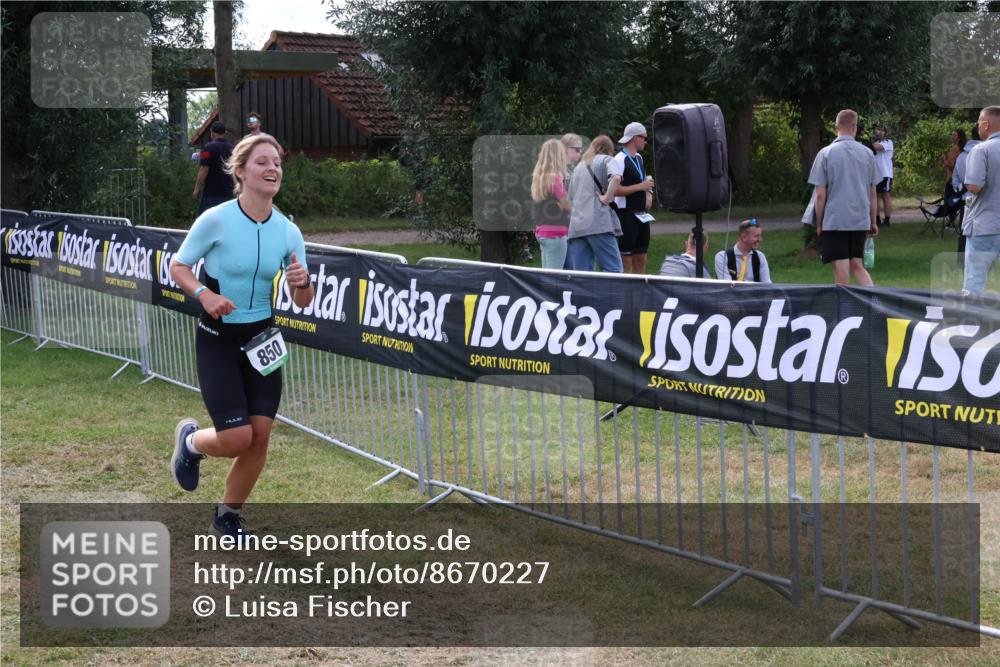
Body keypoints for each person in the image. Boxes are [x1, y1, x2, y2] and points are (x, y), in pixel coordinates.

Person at [169, 134, 315, 537]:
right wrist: (205, 294)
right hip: (218, 337)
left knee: (260, 436)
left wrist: (302, 283)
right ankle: (191, 442)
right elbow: (178, 266)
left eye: (278, 163)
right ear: (240, 171)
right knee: (236, 437)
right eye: (262, 162)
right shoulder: (216, 219)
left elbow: (302, 300)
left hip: (263, 339)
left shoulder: (288, 231)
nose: (273, 169)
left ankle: (227, 515)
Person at [808, 109, 879, 286]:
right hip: (860, 219)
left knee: (841, 267)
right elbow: (873, 192)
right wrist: (873, 221)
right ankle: (875, 303)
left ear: (836, 127)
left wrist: (819, 223)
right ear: (854, 127)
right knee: (858, 266)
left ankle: (845, 310)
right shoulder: (868, 154)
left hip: (835, 220)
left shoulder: (826, 153)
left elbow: (820, 194)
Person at [565, 135, 623, 272]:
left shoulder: (578, 167)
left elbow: (569, 199)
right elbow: (616, 178)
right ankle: (610, 294)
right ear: (609, 149)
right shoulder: (607, 159)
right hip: (598, 223)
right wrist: (607, 198)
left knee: (582, 276)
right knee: (613, 269)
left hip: (576, 227)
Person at [962, 106, 1000, 295]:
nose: (977, 126)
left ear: (986, 124)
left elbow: (974, 186)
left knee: (974, 282)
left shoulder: (981, 149)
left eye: (978, 122)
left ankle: (972, 322)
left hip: (985, 224)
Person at [610, 121, 655, 274]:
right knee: (626, 258)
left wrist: (649, 193)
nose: (645, 141)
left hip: (642, 214)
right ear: (635, 138)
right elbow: (614, 190)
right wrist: (640, 187)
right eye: (644, 138)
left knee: (641, 256)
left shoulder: (639, 158)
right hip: (626, 214)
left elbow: (645, 180)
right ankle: (625, 292)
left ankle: (638, 291)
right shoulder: (619, 159)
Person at [530, 139, 572, 269]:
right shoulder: (556, 177)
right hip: (556, 233)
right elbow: (566, 203)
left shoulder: (540, 176)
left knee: (547, 276)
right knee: (555, 277)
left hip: (542, 231)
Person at [192, 121, 235, 214]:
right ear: (224, 133)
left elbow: (204, 169)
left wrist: (197, 189)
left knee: (205, 222)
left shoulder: (207, 148)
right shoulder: (233, 149)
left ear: (212, 133)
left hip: (211, 193)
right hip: (228, 193)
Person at [714, 218, 771, 283]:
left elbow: (767, 285)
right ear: (744, 237)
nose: (760, 239)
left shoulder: (760, 257)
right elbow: (727, 286)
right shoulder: (723, 257)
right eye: (756, 236)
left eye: (760, 236)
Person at [955, 126, 981, 261]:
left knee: (965, 230)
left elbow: (955, 180)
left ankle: (961, 261)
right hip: (984, 200)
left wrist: (962, 190)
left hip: (967, 199)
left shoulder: (962, 155)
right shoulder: (989, 152)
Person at [872, 123, 894, 227]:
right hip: (874, 174)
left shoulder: (888, 142)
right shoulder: (873, 143)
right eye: (877, 129)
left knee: (886, 196)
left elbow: (878, 147)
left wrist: (864, 144)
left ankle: (887, 220)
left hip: (885, 174)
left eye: (881, 130)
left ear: (885, 132)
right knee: (874, 196)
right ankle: (876, 219)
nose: (879, 132)